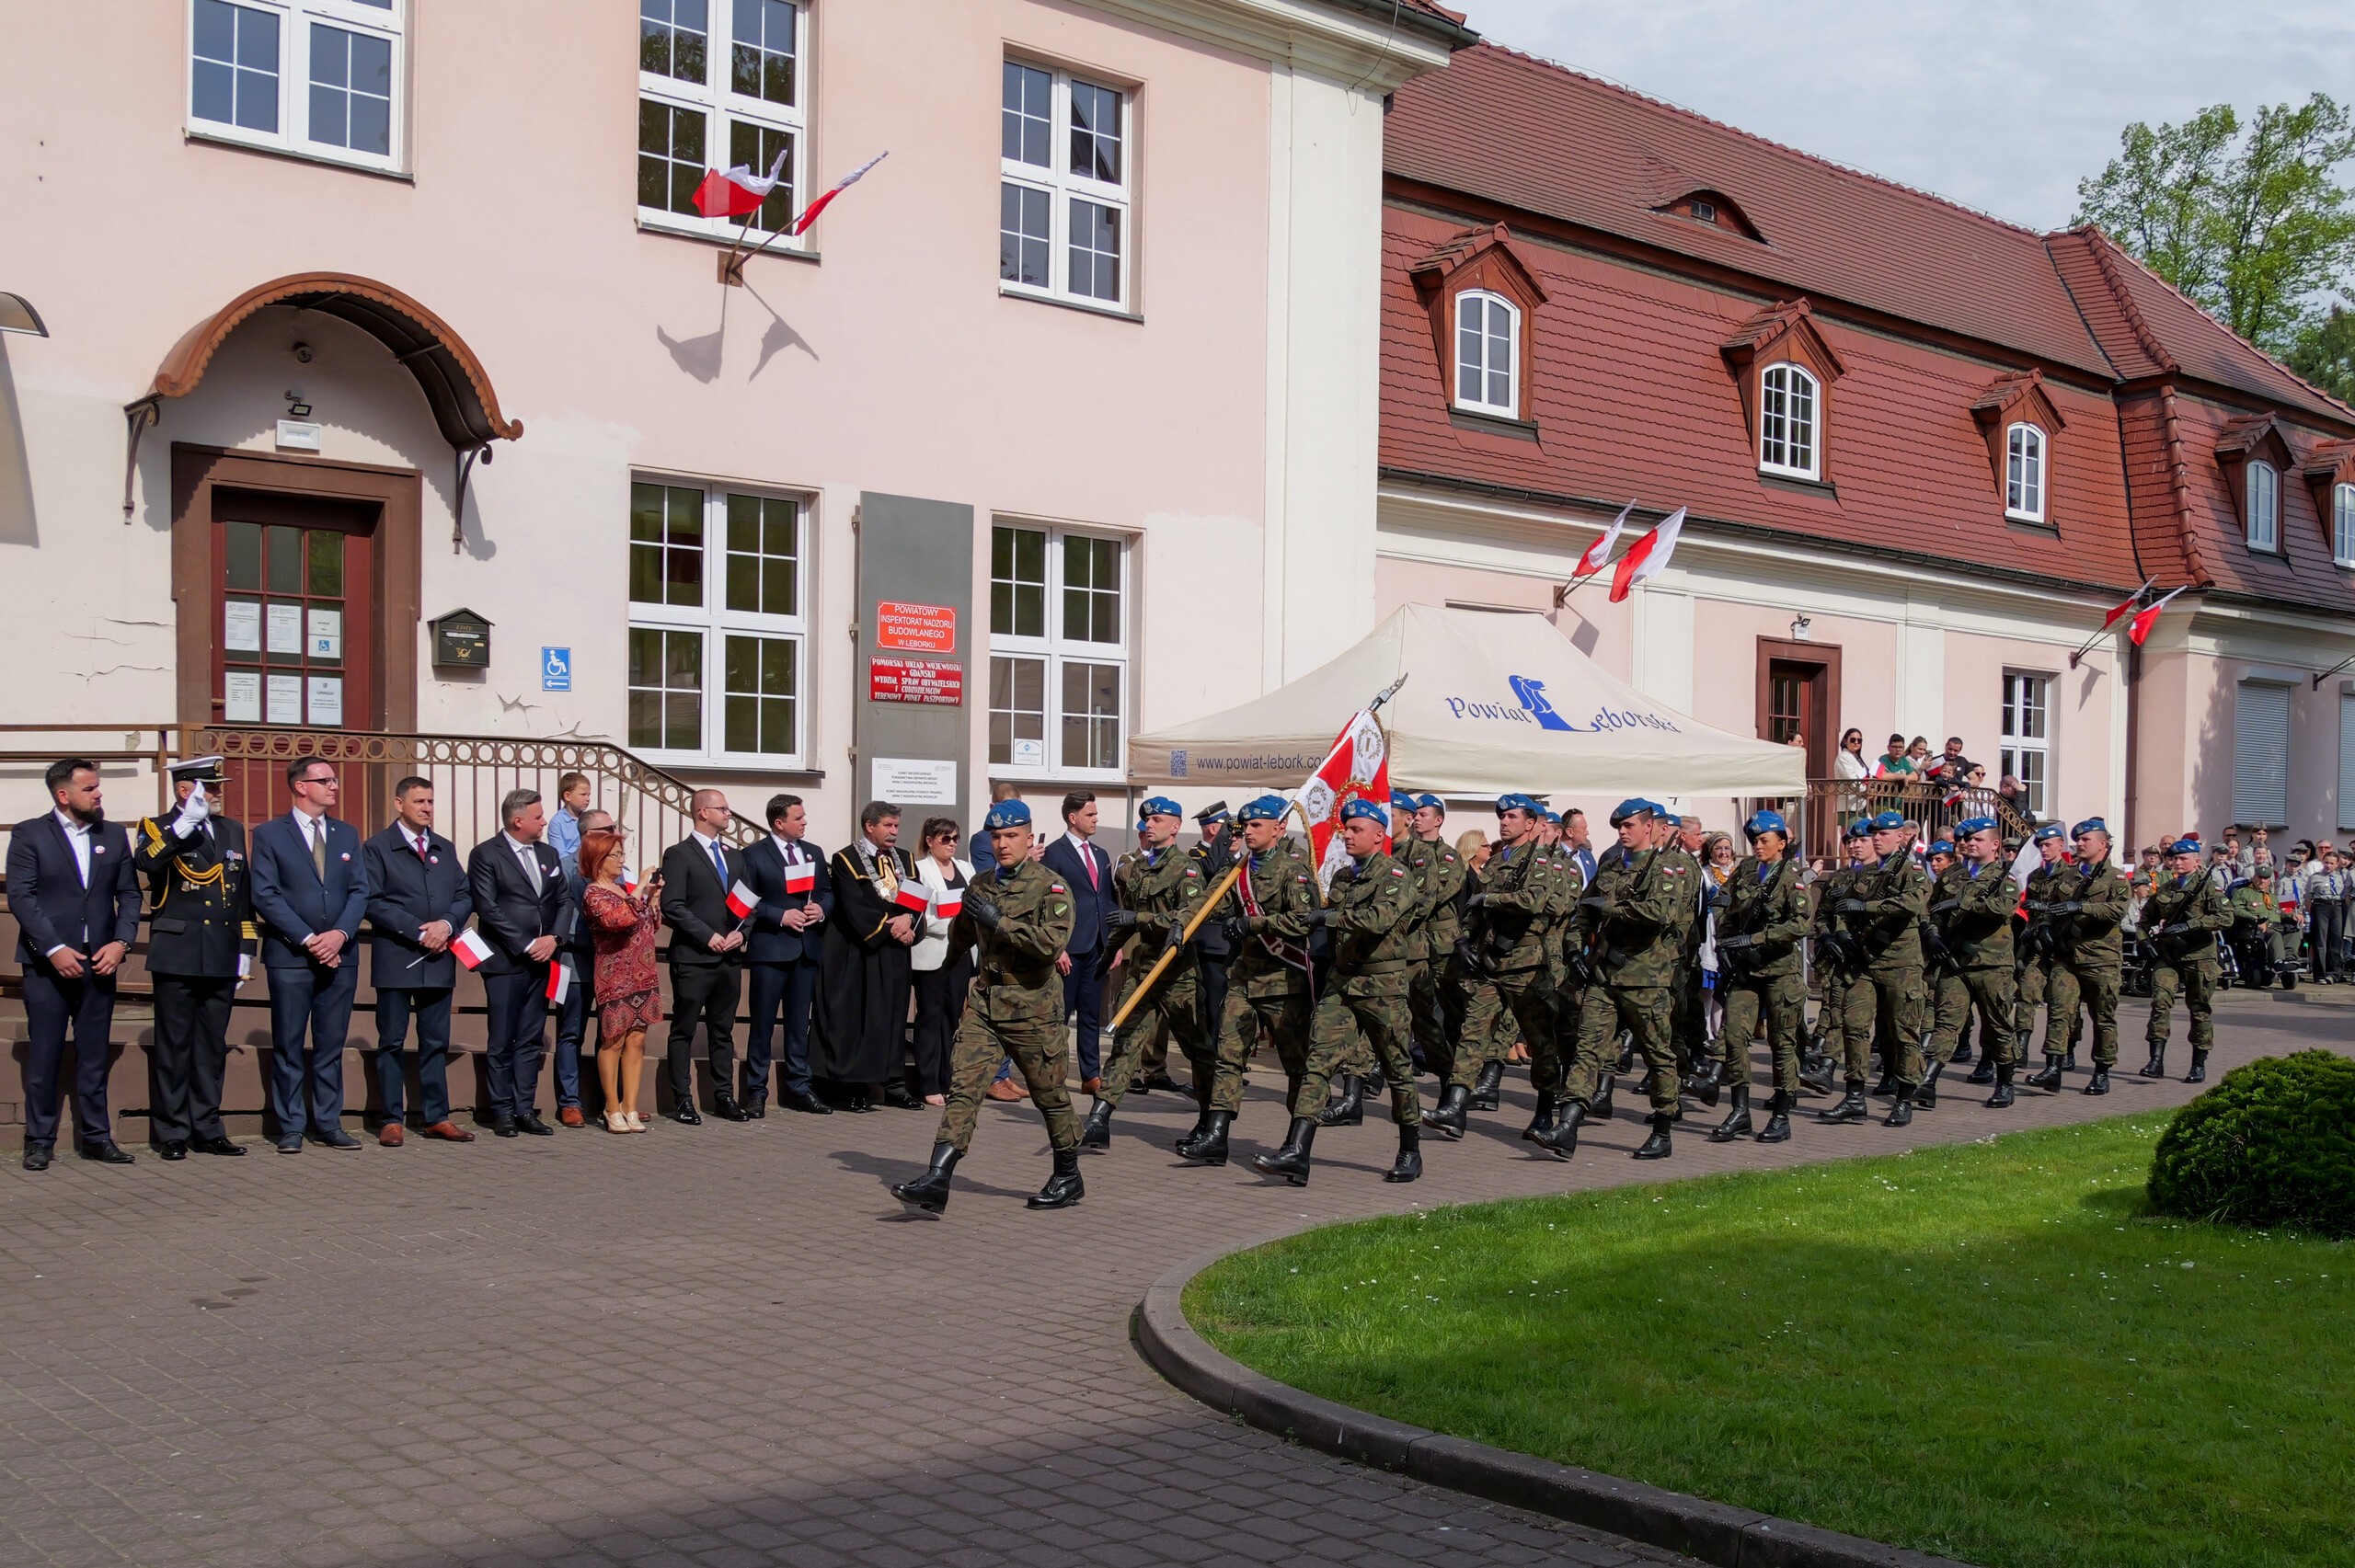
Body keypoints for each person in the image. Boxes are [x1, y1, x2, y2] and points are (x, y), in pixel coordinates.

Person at [890, 797, 1082, 1214]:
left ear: (1029, 837)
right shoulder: (979, 884)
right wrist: (947, 969)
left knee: (1049, 1095)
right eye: (996, 837)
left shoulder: (1051, 886)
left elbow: (1050, 945)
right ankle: (937, 1178)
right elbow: (962, 932)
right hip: (986, 1005)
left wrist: (1000, 922)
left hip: (1033, 1008)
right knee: (965, 1088)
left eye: (1011, 836)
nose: (1002, 844)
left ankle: (1068, 1174)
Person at [1264, 797, 1426, 1185]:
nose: (1347, 835)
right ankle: (1297, 1151)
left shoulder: (1396, 876)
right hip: (1342, 983)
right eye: (1346, 829)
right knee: (1317, 1062)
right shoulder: (1341, 877)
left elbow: (1378, 920)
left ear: (1379, 835)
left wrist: (1329, 916)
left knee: (1397, 1068)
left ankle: (1410, 1150)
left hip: (1382, 987)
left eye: (1356, 829)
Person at [11, 757, 144, 1169]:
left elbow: (130, 895)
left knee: (93, 1056)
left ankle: (97, 1137)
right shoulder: (30, 834)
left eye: (98, 786)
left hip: (99, 963)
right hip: (47, 966)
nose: (99, 794)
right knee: (45, 1055)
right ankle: (39, 1140)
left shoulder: (113, 835)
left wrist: (121, 942)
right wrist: (54, 948)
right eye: (90, 788)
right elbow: (21, 897)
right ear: (63, 794)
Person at [133, 757, 258, 1161]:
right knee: (174, 1045)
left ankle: (207, 1127)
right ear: (186, 790)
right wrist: (185, 824)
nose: (218, 793)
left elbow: (242, 893)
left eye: (219, 786)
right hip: (178, 950)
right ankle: (172, 1130)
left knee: (211, 1046)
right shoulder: (157, 827)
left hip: (221, 949)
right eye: (211, 786)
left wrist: (246, 947)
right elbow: (148, 863)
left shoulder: (230, 829)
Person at [1185, 795, 1319, 1168]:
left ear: (1278, 828)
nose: (1248, 832)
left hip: (1283, 982)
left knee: (1297, 1066)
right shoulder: (1238, 870)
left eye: (1256, 825)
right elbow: (1207, 901)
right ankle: (1216, 1137)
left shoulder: (1293, 870)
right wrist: (1181, 924)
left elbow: (1304, 920)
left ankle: (1296, 1147)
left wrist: (1253, 924)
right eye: (1244, 826)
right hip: (1244, 979)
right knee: (1227, 1056)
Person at [1557, 800, 1692, 1159]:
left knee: (1657, 1054)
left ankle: (1662, 1130)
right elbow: (1583, 912)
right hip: (1604, 976)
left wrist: (1611, 908)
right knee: (1587, 1050)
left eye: (1629, 825)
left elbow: (1660, 914)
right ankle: (1567, 1126)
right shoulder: (1611, 867)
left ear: (1649, 826)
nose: (1622, 831)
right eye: (1619, 826)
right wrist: (1575, 950)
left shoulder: (1666, 869)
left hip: (1645, 980)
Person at [249, 756, 369, 1153]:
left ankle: (328, 1122)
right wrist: (308, 939)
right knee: (288, 1043)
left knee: (330, 1044)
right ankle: (291, 1126)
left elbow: (360, 890)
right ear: (301, 786)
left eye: (335, 780)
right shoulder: (270, 834)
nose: (334, 786)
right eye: (326, 780)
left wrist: (338, 935)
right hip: (291, 956)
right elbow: (265, 894)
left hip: (340, 955)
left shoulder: (346, 833)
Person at [362, 775, 477, 1146]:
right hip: (398, 959)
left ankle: (436, 1117)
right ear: (399, 804)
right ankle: (391, 1119)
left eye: (430, 801)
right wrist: (417, 930)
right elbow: (372, 901)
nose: (427, 808)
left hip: (439, 959)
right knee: (392, 1042)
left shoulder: (443, 847)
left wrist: (446, 924)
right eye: (419, 802)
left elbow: (464, 894)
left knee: (435, 1042)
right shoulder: (377, 848)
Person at [1085, 797, 1205, 1149]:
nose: (1149, 825)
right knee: (1125, 1042)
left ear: (1175, 826)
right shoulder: (1138, 867)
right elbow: (1124, 919)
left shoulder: (1187, 869)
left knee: (1197, 1048)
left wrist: (1140, 919)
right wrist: (1108, 953)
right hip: (1143, 970)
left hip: (1176, 973)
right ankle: (1099, 1118)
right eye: (1147, 820)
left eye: (1157, 819)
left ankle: (1210, 1117)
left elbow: (1189, 919)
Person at [465, 788, 568, 1138]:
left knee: (530, 1037)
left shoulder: (548, 854)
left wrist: (554, 938)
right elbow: (488, 907)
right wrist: (525, 944)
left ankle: (525, 1108)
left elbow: (564, 899)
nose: (544, 822)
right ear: (517, 820)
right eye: (538, 817)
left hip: (544, 959)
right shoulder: (486, 854)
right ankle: (502, 1110)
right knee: (502, 1038)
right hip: (506, 962)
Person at [1705, 809, 1809, 1142]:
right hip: (1745, 970)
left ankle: (1781, 1115)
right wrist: (1725, 939)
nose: (1758, 846)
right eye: (1754, 841)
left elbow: (1800, 923)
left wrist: (1756, 938)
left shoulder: (1791, 876)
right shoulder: (1748, 870)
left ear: (1782, 843)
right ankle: (1740, 1112)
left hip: (1780, 971)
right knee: (1734, 1037)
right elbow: (1723, 902)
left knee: (1782, 1043)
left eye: (1764, 840)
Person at [1824, 809, 1932, 1127]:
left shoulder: (1912, 870)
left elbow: (1913, 903)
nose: (1877, 839)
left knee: (1903, 1032)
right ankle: (1855, 1096)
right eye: (1874, 834)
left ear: (1900, 837)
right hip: (1865, 963)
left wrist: (1868, 906)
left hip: (1901, 964)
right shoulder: (1864, 872)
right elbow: (1842, 906)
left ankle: (1904, 1099)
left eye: (1884, 834)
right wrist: (1842, 933)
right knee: (1854, 1026)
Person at [816, 800, 919, 1109]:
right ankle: (856, 1086)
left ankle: (894, 1083)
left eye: (896, 826)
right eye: (888, 825)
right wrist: (893, 925)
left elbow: (917, 898)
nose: (894, 832)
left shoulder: (905, 859)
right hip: (862, 952)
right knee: (862, 1017)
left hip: (897, 952)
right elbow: (854, 906)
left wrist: (909, 920)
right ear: (869, 826)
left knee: (894, 1016)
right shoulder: (846, 859)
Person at [659, 789, 752, 1122]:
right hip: (694, 957)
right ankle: (682, 1099)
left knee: (722, 1030)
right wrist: (707, 935)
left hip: (729, 958)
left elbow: (748, 902)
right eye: (722, 808)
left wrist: (742, 933)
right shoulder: (679, 854)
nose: (729, 814)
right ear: (703, 812)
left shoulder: (734, 856)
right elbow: (672, 905)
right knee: (684, 1028)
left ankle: (724, 1096)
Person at [741, 793, 833, 1116]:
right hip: (771, 950)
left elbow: (827, 891)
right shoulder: (754, 855)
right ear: (779, 823)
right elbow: (746, 900)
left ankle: (800, 1087)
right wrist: (780, 915)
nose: (805, 822)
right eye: (798, 817)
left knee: (798, 1025)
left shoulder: (813, 852)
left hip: (806, 951)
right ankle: (756, 1091)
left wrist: (821, 909)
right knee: (762, 1024)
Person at [1926, 817, 2021, 1108]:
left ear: (1995, 844)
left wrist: (1963, 903)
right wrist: (1932, 934)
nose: (1969, 843)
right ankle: (1927, 1081)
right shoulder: (1951, 874)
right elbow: (1933, 910)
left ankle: (2005, 1084)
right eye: (1967, 839)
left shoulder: (2004, 877)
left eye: (1977, 839)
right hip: (1954, 963)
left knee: (1997, 1026)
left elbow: (2003, 908)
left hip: (1991, 965)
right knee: (1946, 1022)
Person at [2035, 818, 2129, 1094]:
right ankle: (2053, 1069)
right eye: (2078, 839)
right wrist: (2045, 929)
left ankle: (2101, 1072)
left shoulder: (2116, 878)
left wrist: (2081, 907)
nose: (2080, 844)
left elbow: (2117, 910)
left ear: (2102, 844)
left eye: (2086, 839)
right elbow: (2051, 909)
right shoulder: (2068, 876)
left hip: (2101, 958)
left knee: (2103, 1017)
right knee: (2058, 1011)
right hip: (2066, 957)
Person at [581, 826, 662, 1132]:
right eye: (615, 855)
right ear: (598, 859)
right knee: (613, 1040)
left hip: (643, 973)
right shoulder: (594, 893)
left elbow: (649, 924)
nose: (621, 860)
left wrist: (653, 897)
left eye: (621, 854)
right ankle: (611, 1107)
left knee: (637, 1040)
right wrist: (639, 888)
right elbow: (618, 920)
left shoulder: (624, 890)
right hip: (614, 975)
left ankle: (630, 1106)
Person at [1041, 791, 1115, 1095]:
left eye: (1096, 814)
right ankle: (1052, 1077)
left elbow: (1107, 900)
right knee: (1059, 1016)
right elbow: (1045, 904)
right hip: (1068, 950)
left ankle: (1090, 1075)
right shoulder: (1054, 854)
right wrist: (1056, 947)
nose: (1096, 819)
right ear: (1073, 818)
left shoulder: (1101, 854)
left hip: (1096, 947)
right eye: (1090, 814)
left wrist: (1114, 944)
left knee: (1090, 1015)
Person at [1405, 795, 1471, 1127]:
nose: (1417, 819)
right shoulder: (1403, 853)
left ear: (1438, 820)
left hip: (1441, 947)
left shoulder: (1447, 856)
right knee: (1419, 1014)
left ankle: (1453, 1084)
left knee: (1451, 1016)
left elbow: (1434, 895)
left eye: (1423, 814)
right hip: (1414, 944)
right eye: (1414, 814)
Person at [2140, 838, 2230, 1082]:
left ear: (2197, 861)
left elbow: (2226, 918)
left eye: (2183, 858)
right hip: (2169, 956)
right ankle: (2155, 1061)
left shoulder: (2209, 888)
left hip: (2199, 956)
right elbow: (2145, 919)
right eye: (2174, 858)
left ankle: (2198, 1064)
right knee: (2160, 1002)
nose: (2177, 863)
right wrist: (2144, 941)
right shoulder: (2166, 889)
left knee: (2199, 1009)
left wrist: (2192, 925)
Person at [1803, 820, 1877, 1104]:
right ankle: (1827, 1070)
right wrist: (1826, 936)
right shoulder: (1839, 877)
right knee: (1838, 1015)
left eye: (1862, 840)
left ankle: (1900, 1079)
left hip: (1874, 960)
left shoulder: (1885, 875)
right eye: (1851, 841)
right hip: (1841, 960)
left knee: (1885, 1027)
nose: (1855, 845)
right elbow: (1822, 914)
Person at [548, 807, 611, 1127]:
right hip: (573, 963)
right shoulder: (565, 868)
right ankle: (570, 1102)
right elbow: (564, 921)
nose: (614, 834)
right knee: (570, 1032)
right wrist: (599, 938)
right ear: (588, 836)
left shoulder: (615, 868)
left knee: (610, 1035)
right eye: (607, 829)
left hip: (609, 965)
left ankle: (610, 1102)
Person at [909, 816, 976, 1108]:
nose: (951, 844)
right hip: (931, 954)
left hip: (960, 954)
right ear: (930, 841)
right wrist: (950, 920)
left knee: (951, 1017)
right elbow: (916, 915)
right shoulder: (919, 869)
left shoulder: (966, 868)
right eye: (945, 839)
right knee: (930, 1017)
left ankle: (947, 1079)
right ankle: (927, 1082)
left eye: (955, 838)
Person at [546, 772, 592, 864]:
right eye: (583, 794)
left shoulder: (589, 819)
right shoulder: (557, 823)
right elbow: (560, 856)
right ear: (567, 796)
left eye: (588, 795)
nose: (587, 799)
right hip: (571, 868)